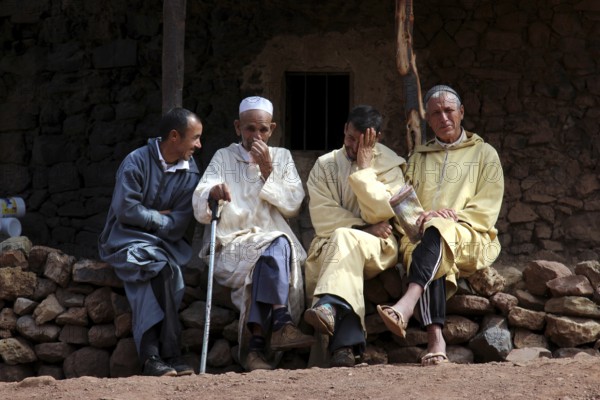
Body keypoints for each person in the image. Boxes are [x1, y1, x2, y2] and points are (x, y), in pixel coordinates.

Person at [377, 84, 505, 366]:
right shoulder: (418, 157)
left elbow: (488, 205)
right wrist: (420, 218)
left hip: (471, 234)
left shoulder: (485, 154)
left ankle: (409, 307)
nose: (443, 117)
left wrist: (453, 217)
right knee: (431, 242)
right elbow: (403, 204)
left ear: (461, 113)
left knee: (438, 233)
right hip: (422, 236)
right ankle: (436, 341)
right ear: (429, 120)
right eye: (436, 113)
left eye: (449, 110)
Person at [192, 96, 315, 372]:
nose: (256, 136)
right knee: (274, 246)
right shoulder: (224, 157)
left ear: (272, 129)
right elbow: (201, 199)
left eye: (262, 129)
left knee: (274, 246)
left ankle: (256, 348)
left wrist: (268, 171)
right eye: (249, 129)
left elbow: (294, 204)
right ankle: (282, 322)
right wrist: (212, 194)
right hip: (232, 246)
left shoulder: (281, 158)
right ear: (238, 127)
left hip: (272, 247)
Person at [98, 107, 203, 377]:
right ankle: (167, 354)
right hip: (124, 240)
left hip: (165, 245)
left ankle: (154, 357)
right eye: (195, 138)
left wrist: (147, 216)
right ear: (174, 136)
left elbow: (178, 223)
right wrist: (158, 217)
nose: (199, 145)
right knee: (159, 269)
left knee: (161, 270)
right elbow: (125, 210)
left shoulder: (191, 173)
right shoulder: (136, 162)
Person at [303, 104, 407, 367]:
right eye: (349, 138)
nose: (351, 146)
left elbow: (386, 210)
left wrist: (363, 170)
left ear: (376, 138)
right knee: (343, 243)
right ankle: (344, 349)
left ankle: (327, 306)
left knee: (343, 238)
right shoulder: (325, 165)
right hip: (333, 242)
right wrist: (363, 228)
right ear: (344, 130)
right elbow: (322, 215)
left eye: (360, 142)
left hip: (379, 245)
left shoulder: (390, 166)